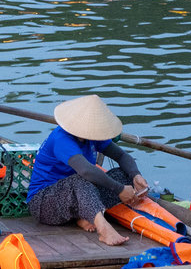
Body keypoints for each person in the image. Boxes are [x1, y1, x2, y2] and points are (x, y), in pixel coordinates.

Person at [26, 95, 149, 247]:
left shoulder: (92, 136)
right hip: (44, 203)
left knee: (123, 174)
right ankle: (103, 229)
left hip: (80, 195)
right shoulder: (61, 138)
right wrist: (119, 189)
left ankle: (83, 215)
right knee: (82, 178)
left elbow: (122, 156)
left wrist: (136, 175)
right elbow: (85, 171)